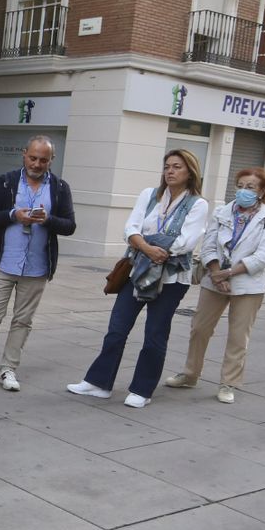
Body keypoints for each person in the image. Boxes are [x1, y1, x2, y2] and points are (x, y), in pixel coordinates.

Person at [68, 149, 209, 408]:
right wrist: (147, 247)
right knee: (116, 329)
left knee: (155, 334)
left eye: (177, 167)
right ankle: (99, 383)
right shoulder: (149, 195)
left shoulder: (198, 204)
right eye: (167, 166)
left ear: (190, 171)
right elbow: (130, 228)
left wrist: (145, 242)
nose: (170, 171)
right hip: (138, 270)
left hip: (172, 279)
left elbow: (184, 242)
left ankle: (142, 389)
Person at [0, 135, 76, 392]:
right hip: (4, 264)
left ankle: (8, 369)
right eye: (33, 157)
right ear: (24, 154)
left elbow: (70, 226)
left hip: (37, 267)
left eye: (43, 160)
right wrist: (13, 215)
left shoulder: (60, 188)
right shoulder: (6, 182)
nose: (37, 164)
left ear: (51, 161)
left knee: (22, 321)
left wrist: (48, 219)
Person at [164, 167, 265, 404]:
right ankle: (190, 374)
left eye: (251, 187)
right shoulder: (221, 212)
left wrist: (228, 273)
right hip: (214, 279)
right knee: (199, 329)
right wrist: (217, 273)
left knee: (238, 336)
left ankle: (229, 383)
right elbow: (208, 245)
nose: (244, 191)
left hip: (247, 284)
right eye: (240, 185)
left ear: (262, 191)